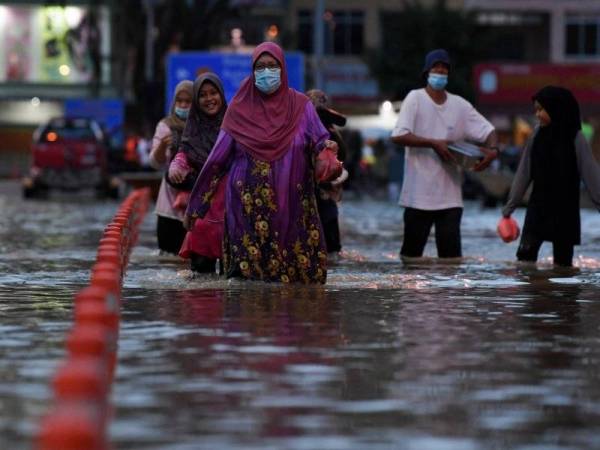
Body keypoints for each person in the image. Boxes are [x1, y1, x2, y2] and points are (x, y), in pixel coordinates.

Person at [183, 42, 337, 284]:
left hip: (293, 208)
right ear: (253, 72)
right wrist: (196, 206)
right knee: (248, 287)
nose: (266, 72)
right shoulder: (238, 109)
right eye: (260, 67)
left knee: (299, 287)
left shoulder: (301, 107)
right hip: (247, 213)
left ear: (282, 68)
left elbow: (320, 142)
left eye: (272, 66)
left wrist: (328, 156)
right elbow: (216, 160)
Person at [391, 48, 499, 261]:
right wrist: (432, 143)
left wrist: (493, 151)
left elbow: (489, 131)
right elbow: (398, 135)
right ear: (427, 72)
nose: (440, 72)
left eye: (444, 69)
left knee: (451, 262)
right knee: (410, 259)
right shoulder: (415, 99)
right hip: (417, 197)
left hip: (450, 199)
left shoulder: (460, 105)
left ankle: (448, 296)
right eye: (435, 68)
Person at [501, 86, 600, 267]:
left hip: (565, 212)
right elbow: (523, 173)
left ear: (556, 108)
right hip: (537, 209)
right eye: (536, 110)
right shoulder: (536, 136)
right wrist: (508, 210)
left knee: (563, 266)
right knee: (524, 259)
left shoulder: (576, 138)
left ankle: (560, 295)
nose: (537, 115)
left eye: (541, 109)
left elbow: (591, 175)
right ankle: (532, 293)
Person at [168, 72, 227, 273]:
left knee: (236, 281)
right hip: (204, 214)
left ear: (221, 94)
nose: (209, 99)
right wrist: (177, 167)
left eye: (213, 93)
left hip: (234, 213)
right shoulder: (192, 131)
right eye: (203, 95)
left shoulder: (234, 127)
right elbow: (183, 155)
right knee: (202, 283)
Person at [148, 79, 193, 255]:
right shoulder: (165, 126)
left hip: (195, 205)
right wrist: (161, 147)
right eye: (179, 101)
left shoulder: (202, 128)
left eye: (188, 101)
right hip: (169, 205)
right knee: (167, 259)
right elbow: (154, 162)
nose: (183, 105)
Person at [306, 89, 348, 256]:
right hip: (308, 196)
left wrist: (334, 183)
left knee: (331, 247)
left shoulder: (331, 132)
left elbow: (341, 164)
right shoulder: (300, 132)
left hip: (326, 196)